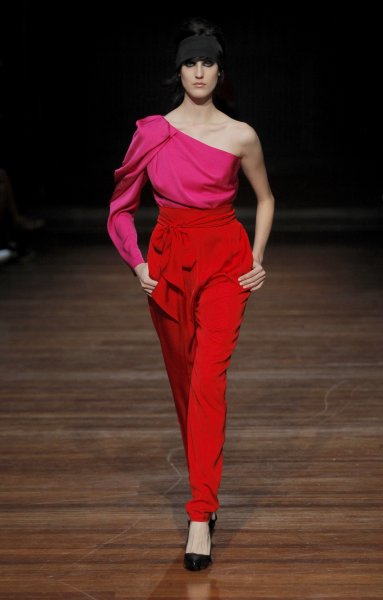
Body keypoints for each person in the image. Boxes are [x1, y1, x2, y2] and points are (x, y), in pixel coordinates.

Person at [107, 16, 275, 571]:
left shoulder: (240, 134)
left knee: (207, 382)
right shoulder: (152, 133)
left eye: (208, 63)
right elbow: (120, 209)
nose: (199, 72)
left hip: (225, 260)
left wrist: (256, 257)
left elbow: (265, 198)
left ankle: (200, 513)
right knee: (184, 383)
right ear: (178, 71)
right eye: (190, 63)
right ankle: (206, 488)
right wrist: (137, 263)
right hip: (167, 264)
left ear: (220, 72)